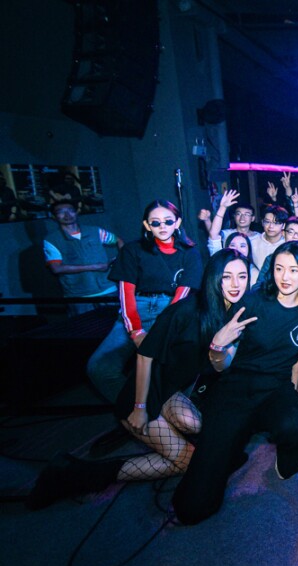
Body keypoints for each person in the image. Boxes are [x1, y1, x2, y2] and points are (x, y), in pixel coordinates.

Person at [26, 250, 250, 510]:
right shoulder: (185, 311)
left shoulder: (231, 314)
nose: (235, 284)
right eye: (227, 277)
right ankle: (72, 474)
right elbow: (144, 356)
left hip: (169, 389)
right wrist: (139, 408)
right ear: (212, 278)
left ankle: (187, 448)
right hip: (140, 392)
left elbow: (217, 365)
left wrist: (220, 347)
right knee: (184, 462)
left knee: (194, 423)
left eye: (242, 276)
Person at [171, 242, 298, 525]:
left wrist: (297, 405)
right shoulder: (253, 301)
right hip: (236, 384)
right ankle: (227, 455)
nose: (285, 277)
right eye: (279, 268)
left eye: (293, 270)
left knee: (294, 423)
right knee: (193, 505)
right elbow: (219, 363)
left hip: (276, 387)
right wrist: (217, 345)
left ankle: (288, 451)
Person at [86, 200, 203, 403]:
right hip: (135, 310)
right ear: (147, 225)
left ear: (177, 223)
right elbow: (126, 293)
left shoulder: (189, 252)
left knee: (184, 365)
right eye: (155, 223)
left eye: (168, 221)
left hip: (170, 310)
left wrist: (163, 328)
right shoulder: (133, 250)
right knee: (99, 368)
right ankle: (135, 409)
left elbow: (182, 295)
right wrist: (135, 331)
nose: (162, 227)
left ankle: (169, 414)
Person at [43, 200, 124, 315]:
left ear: (77, 212)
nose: (67, 215)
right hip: (78, 294)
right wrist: (95, 266)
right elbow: (56, 268)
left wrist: (121, 261)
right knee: (86, 329)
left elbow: (118, 240)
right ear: (53, 216)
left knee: (115, 326)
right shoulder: (52, 240)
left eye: (71, 211)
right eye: (61, 212)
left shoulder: (94, 231)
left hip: (107, 289)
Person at [251, 204, 288, 271]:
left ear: (283, 225)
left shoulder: (287, 244)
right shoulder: (252, 242)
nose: (271, 226)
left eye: (276, 223)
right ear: (262, 222)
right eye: (267, 222)